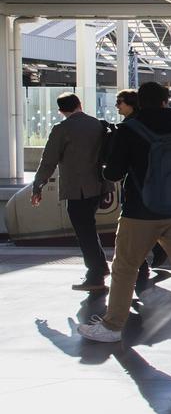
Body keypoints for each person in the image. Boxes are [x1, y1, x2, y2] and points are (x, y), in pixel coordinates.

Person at [76, 82, 171, 343]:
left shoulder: (128, 130)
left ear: (140, 103)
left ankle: (111, 327)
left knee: (125, 267)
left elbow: (114, 173)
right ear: (166, 102)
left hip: (140, 212)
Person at [31, 92, 110, 291]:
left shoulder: (62, 129)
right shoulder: (98, 124)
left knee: (84, 232)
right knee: (89, 228)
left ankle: (95, 275)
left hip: (77, 189)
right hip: (99, 185)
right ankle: (100, 266)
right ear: (79, 104)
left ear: (61, 111)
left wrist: (38, 185)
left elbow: (49, 160)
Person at [116, 89, 169, 275]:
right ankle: (154, 252)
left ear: (132, 102)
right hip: (165, 190)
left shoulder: (129, 128)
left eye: (120, 101)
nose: (117, 105)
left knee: (125, 255)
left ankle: (143, 266)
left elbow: (114, 170)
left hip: (138, 189)